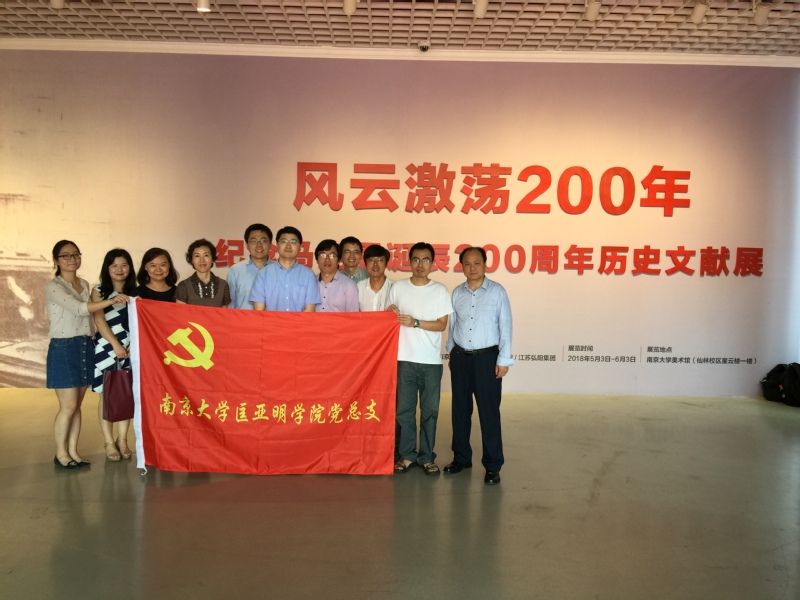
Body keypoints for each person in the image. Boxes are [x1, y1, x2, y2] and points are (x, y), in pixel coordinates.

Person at [46, 240, 129, 469]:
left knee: (77, 405)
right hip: (64, 347)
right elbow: (79, 309)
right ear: (56, 260)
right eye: (66, 256)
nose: (72, 259)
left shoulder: (83, 284)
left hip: (84, 345)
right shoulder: (54, 286)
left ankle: (73, 451)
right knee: (68, 406)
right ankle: (61, 453)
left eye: (75, 254)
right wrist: (111, 300)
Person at [444, 247, 514, 485]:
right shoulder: (457, 292)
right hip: (460, 358)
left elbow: (506, 326)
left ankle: (493, 466)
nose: (472, 268)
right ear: (461, 266)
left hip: (487, 360)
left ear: (485, 264)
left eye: (476, 263)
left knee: (489, 413)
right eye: (467, 263)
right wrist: (452, 352)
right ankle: (461, 457)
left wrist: (503, 360)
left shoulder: (497, 292)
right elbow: (453, 324)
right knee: (460, 411)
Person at [386, 242, 452, 476]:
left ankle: (426, 456)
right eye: (416, 259)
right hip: (403, 359)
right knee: (404, 411)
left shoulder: (440, 290)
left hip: (430, 362)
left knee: (429, 411)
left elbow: (441, 325)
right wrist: (390, 312)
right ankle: (407, 455)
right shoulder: (397, 287)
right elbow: (388, 318)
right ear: (409, 261)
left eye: (425, 260)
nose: (420, 264)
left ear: (432, 263)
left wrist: (415, 322)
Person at [91, 249, 137, 462]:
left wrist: (132, 345)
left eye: (124, 265)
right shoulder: (99, 291)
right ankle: (109, 441)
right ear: (107, 269)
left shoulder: (136, 292)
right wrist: (116, 345)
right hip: (106, 347)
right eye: (114, 265)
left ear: (130, 268)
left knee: (126, 392)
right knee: (107, 393)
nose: (120, 269)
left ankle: (123, 440)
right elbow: (99, 320)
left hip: (131, 348)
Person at [251, 226, 320, 312]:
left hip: (300, 321)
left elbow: (309, 310)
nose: (288, 246)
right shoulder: (263, 274)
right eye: (284, 241)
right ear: (277, 245)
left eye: (293, 242)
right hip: (271, 321)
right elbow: (259, 310)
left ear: (300, 247)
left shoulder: (308, 274)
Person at [227, 223, 273, 310]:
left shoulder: (278, 270)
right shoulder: (235, 271)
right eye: (253, 241)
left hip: (271, 318)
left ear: (270, 244)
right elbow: (230, 305)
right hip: (242, 318)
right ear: (247, 245)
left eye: (263, 241)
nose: (259, 245)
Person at [176, 238, 231, 307]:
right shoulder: (183, 286)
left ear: (212, 259)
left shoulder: (223, 285)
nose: (202, 260)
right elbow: (180, 313)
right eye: (197, 256)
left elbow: (224, 312)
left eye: (206, 255)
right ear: (192, 260)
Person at [315, 239, 359, 312]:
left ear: (339, 260)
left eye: (332, 255)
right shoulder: (310, 282)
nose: (327, 259)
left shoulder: (349, 285)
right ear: (317, 260)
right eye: (323, 255)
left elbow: (352, 316)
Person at [357, 244, 393, 312]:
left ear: (386, 264)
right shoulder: (359, 287)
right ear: (365, 264)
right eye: (371, 260)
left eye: (380, 260)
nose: (375, 264)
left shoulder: (394, 287)